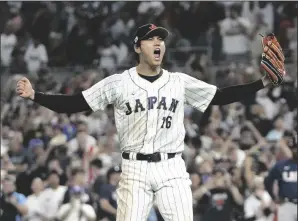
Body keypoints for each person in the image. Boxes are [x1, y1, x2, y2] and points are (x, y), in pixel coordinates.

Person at [16, 24, 285, 221]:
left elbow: (221, 96)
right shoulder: (119, 83)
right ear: (137, 47)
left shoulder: (178, 81)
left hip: (172, 168)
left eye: (161, 39)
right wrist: (35, 96)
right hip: (134, 169)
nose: (158, 43)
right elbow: (75, 104)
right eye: (150, 39)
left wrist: (262, 83)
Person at [264, 135, 297, 221]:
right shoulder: (281, 165)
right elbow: (268, 181)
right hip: (287, 204)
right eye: (294, 147)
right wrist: (274, 197)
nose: (296, 150)